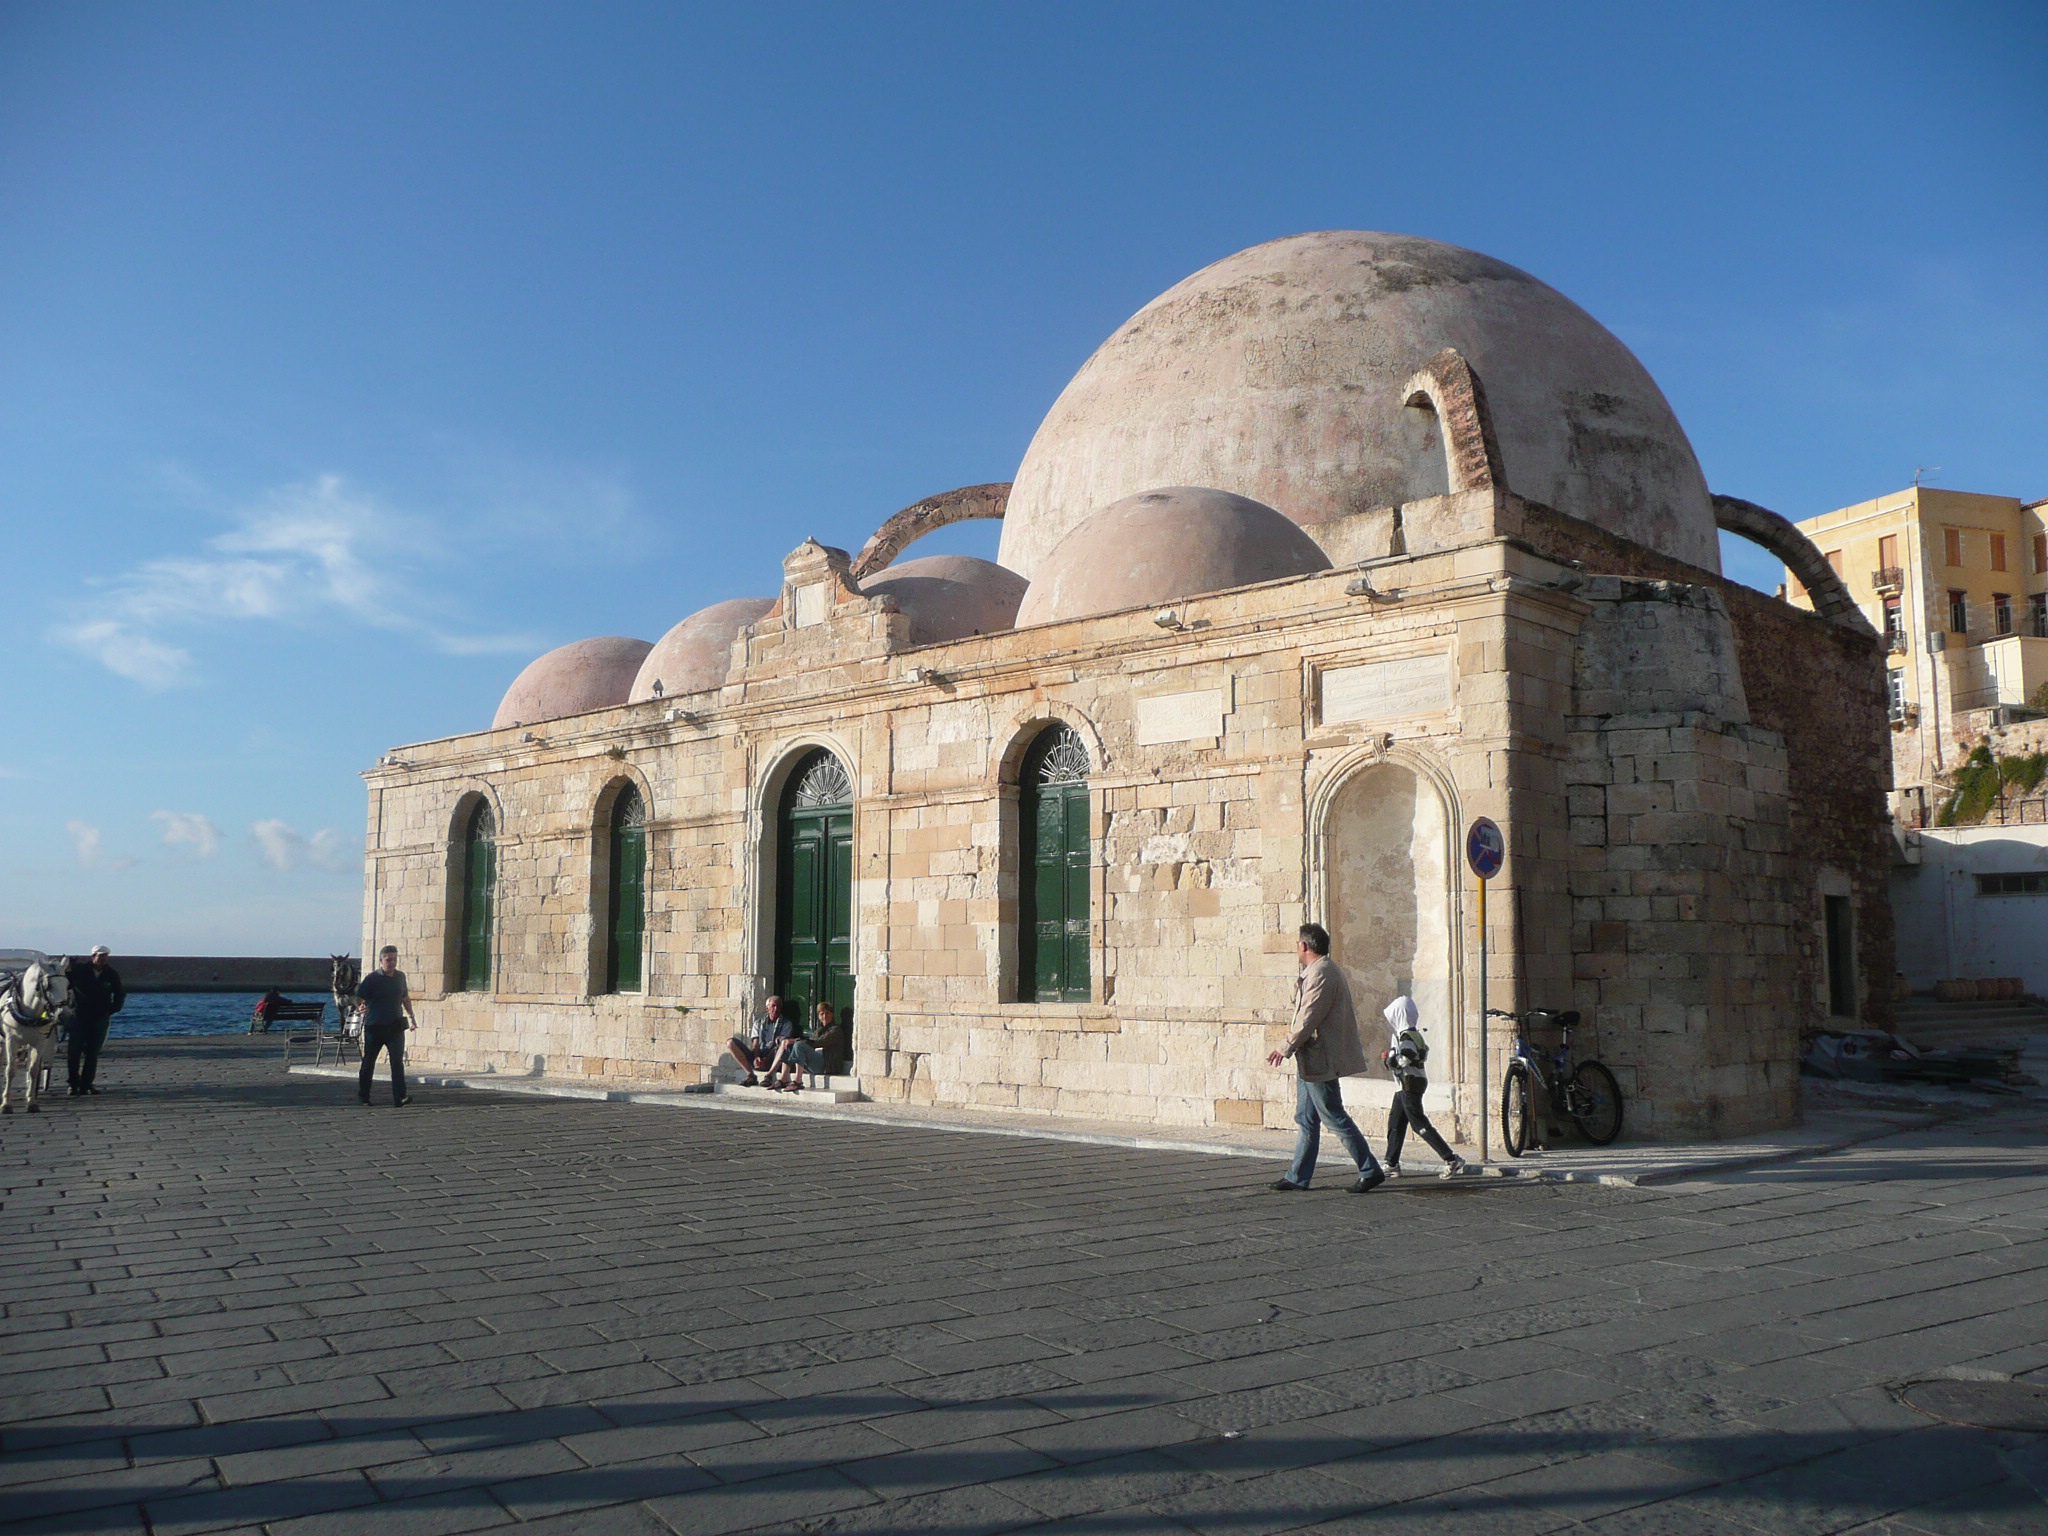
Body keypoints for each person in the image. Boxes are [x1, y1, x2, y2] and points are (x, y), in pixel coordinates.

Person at [1266, 924, 1384, 1194]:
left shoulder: (1322, 973)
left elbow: (1308, 1017)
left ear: (1304, 946)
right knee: (1306, 1118)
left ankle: (1370, 1170)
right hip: (1310, 1058)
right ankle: (1298, 1176)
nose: (1297, 949)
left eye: (1297, 944)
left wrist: (1285, 1047)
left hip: (1320, 1058)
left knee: (1332, 1115)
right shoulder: (1318, 971)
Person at [1380, 995, 1467, 1179]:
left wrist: (1389, 1059)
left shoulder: (1406, 1037)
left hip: (1409, 1085)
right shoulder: (1413, 1034)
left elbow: (1405, 1058)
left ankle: (1451, 1159)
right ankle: (1391, 1163)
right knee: (1395, 1124)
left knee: (1419, 1125)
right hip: (1405, 1085)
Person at [355, 945, 416, 1106]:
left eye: (394, 959)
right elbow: (359, 997)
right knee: (369, 1062)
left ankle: (400, 1097)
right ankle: (364, 1096)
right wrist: (360, 1007)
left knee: (397, 1063)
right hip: (375, 1027)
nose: (392, 963)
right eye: (388, 960)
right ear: (381, 961)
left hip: (395, 1027)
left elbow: (405, 998)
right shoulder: (372, 979)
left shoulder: (400, 977)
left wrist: (411, 1016)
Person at [66, 946, 125, 1096]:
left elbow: (119, 993)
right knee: (74, 1052)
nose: (103, 959)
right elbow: (65, 981)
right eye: (100, 956)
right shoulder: (80, 970)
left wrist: (112, 1009)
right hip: (79, 1016)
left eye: (105, 956)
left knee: (92, 1053)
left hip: (100, 1017)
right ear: (93, 956)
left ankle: (87, 1084)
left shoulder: (111, 974)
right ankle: (73, 1084)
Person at [728, 995, 797, 1087]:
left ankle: (769, 1076)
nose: (776, 1009)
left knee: (785, 1044)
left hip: (775, 1058)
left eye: (778, 1006)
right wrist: (757, 1057)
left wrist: (766, 1059)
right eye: (773, 1006)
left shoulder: (786, 1023)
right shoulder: (758, 1023)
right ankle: (750, 1075)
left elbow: (782, 1045)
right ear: (767, 1008)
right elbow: (755, 1044)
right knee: (731, 1042)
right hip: (760, 1054)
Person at [790, 999, 846, 1084]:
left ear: (832, 1014)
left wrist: (798, 1041)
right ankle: (783, 1077)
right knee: (786, 1046)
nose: (824, 1016)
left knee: (798, 1045)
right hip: (815, 1062)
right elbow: (811, 1041)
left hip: (827, 1065)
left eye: (827, 1013)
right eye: (822, 1014)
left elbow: (819, 1042)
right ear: (819, 1016)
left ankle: (798, 1080)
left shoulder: (835, 1030)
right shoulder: (818, 1030)